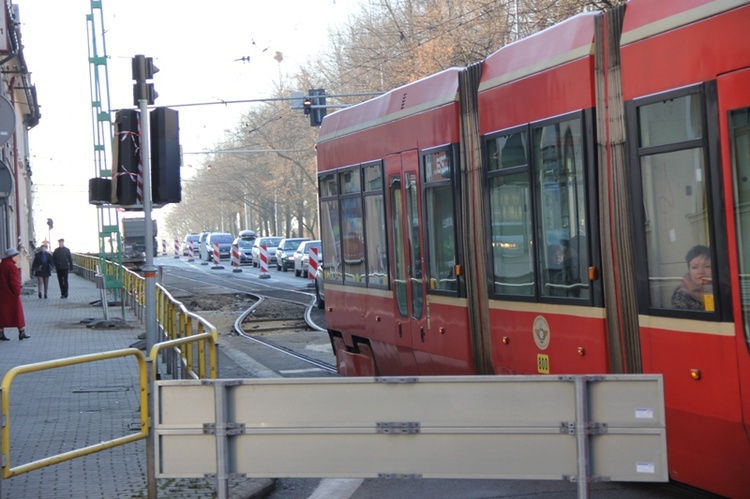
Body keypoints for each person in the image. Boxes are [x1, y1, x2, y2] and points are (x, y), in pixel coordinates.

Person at [0, 248, 30, 340]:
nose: (17, 258)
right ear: (11, 257)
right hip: (12, 295)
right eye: (16, 256)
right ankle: (21, 332)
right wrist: (17, 292)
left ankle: (1, 333)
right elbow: (14, 282)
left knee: (2, 314)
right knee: (17, 314)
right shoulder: (12, 267)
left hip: (2, 294)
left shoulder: (1, 265)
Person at [672, 245, 712, 310]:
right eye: (695, 267)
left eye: (707, 266)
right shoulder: (681, 292)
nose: (701, 272)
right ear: (689, 270)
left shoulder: (723, 287)